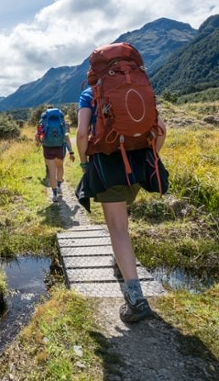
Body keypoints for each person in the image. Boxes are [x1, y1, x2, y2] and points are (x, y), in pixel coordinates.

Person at [76, 80, 166, 322]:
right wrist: (152, 157)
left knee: (117, 229)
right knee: (122, 221)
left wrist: (85, 164)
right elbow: (161, 129)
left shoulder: (89, 94)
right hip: (137, 165)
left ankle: (136, 300)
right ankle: (119, 261)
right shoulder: (139, 89)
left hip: (108, 166)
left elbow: (82, 134)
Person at [36, 107, 75, 202]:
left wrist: (39, 142)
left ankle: (54, 194)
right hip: (60, 148)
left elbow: (38, 137)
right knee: (60, 167)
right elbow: (67, 138)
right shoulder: (63, 122)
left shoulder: (43, 122)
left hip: (48, 148)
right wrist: (71, 152)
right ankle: (59, 186)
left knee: (52, 171)